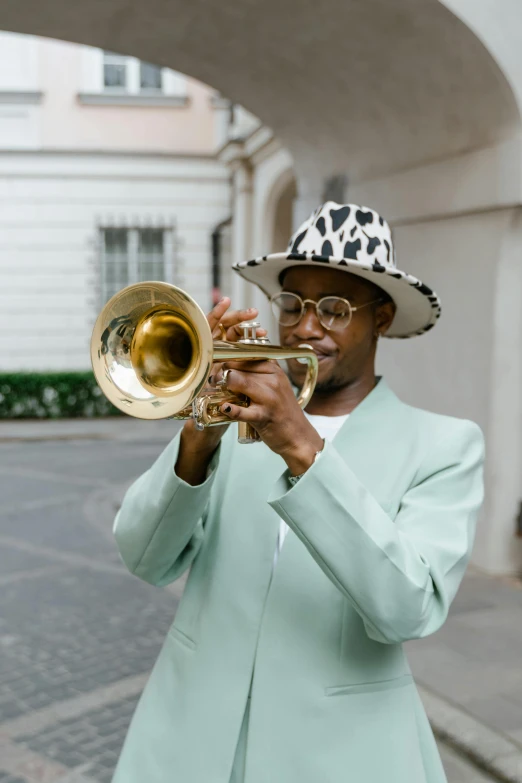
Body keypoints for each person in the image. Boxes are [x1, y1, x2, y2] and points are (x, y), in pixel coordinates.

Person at [111, 202, 485, 783]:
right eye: (292, 305)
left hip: (342, 755)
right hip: (189, 740)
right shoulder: (236, 423)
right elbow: (144, 558)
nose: (305, 328)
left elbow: (406, 609)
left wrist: (302, 446)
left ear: (381, 319)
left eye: (334, 309)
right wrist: (197, 435)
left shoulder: (444, 445)